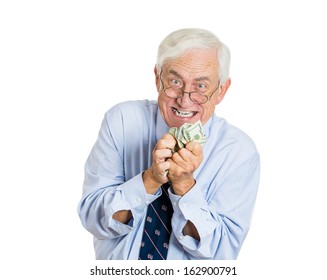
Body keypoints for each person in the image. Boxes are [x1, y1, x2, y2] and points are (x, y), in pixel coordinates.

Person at [77, 28, 260, 260]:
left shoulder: (239, 152)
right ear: (157, 78)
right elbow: (93, 219)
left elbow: (222, 253)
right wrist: (150, 180)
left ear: (221, 91)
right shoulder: (122, 121)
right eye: (175, 81)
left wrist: (184, 186)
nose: (185, 98)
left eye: (201, 86)